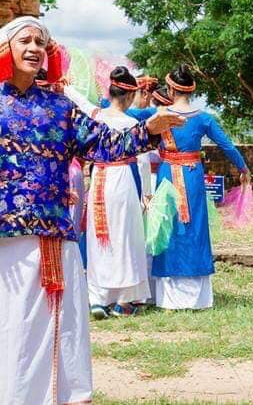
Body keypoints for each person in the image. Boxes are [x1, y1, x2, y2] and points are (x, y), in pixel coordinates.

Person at [0, 16, 184, 405]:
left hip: (52, 239)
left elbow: (105, 145)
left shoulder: (60, 108)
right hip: (0, 243)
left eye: (41, 41)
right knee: (5, 332)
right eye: (25, 40)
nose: (35, 47)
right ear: (5, 50)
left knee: (60, 331)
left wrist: (149, 130)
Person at [150, 64, 249, 310]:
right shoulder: (203, 118)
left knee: (168, 227)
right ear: (191, 90)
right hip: (193, 175)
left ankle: (169, 296)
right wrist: (244, 168)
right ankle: (197, 297)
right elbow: (227, 146)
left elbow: (121, 112)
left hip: (167, 177)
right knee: (194, 228)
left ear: (170, 87)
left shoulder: (160, 117)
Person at [85, 67, 152, 318]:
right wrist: (146, 192)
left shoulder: (95, 117)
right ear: (128, 96)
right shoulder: (133, 124)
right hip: (123, 179)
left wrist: (65, 86)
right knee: (125, 236)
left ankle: (98, 297)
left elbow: (79, 101)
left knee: (98, 236)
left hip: (99, 179)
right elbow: (143, 162)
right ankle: (124, 299)